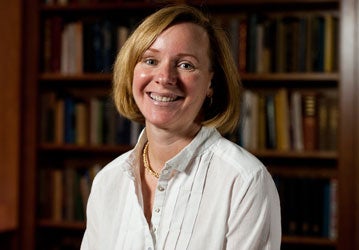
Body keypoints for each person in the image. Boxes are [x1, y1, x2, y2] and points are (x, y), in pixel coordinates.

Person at [81, 4, 281, 250]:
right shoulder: (107, 182)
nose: (165, 77)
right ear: (131, 71)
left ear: (211, 82)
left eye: (186, 65)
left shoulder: (244, 180)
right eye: (150, 60)